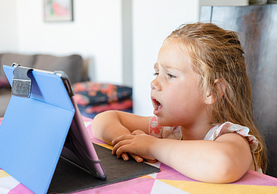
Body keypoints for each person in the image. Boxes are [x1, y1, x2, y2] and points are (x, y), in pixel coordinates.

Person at [92, 22, 267, 184]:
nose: (154, 83)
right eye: (157, 73)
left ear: (212, 91)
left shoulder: (230, 137)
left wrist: (152, 146)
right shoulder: (172, 130)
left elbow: (222, 164)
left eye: (170, 75)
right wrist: (128, 141)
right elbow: (103, 119)